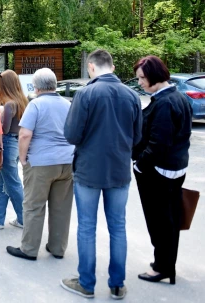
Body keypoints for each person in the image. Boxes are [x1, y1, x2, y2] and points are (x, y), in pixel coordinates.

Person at [61, 49, 143, 300]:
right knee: (118, 227)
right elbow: (138, 137)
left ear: (91, 67)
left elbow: (72, 135)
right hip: (119, 170)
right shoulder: (132, 96)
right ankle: (117, 284)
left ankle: (86, 283)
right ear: (113, 67)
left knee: (87, 227)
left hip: (88, 170)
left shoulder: (85, 94)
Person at [133, 55, 191, 285]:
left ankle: (163, 267)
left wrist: (139, 165)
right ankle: (165, 263)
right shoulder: (177, 97)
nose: (139, 83)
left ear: (154, 76)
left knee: (159, 222)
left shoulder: (165, 103)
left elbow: (158, 144)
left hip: (158, 171)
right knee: (169, 221)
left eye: (142, 78)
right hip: (174, 168)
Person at [5, 68, 74, 261]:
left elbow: (25, 134)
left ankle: (29, 248)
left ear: (35, 86)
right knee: (61, 207)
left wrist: (23, 158)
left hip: (42, 162)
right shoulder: (67, 104)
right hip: (66, 161)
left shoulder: (35, 105)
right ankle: (57, 247)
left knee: (34, 206)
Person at [0, 69, 27, 230]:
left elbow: (4, 129)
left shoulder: (9, 105)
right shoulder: (22, 101)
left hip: (7, 144)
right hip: (16, 144)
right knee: (3, 183)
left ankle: (24, 218)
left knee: (13, 183)